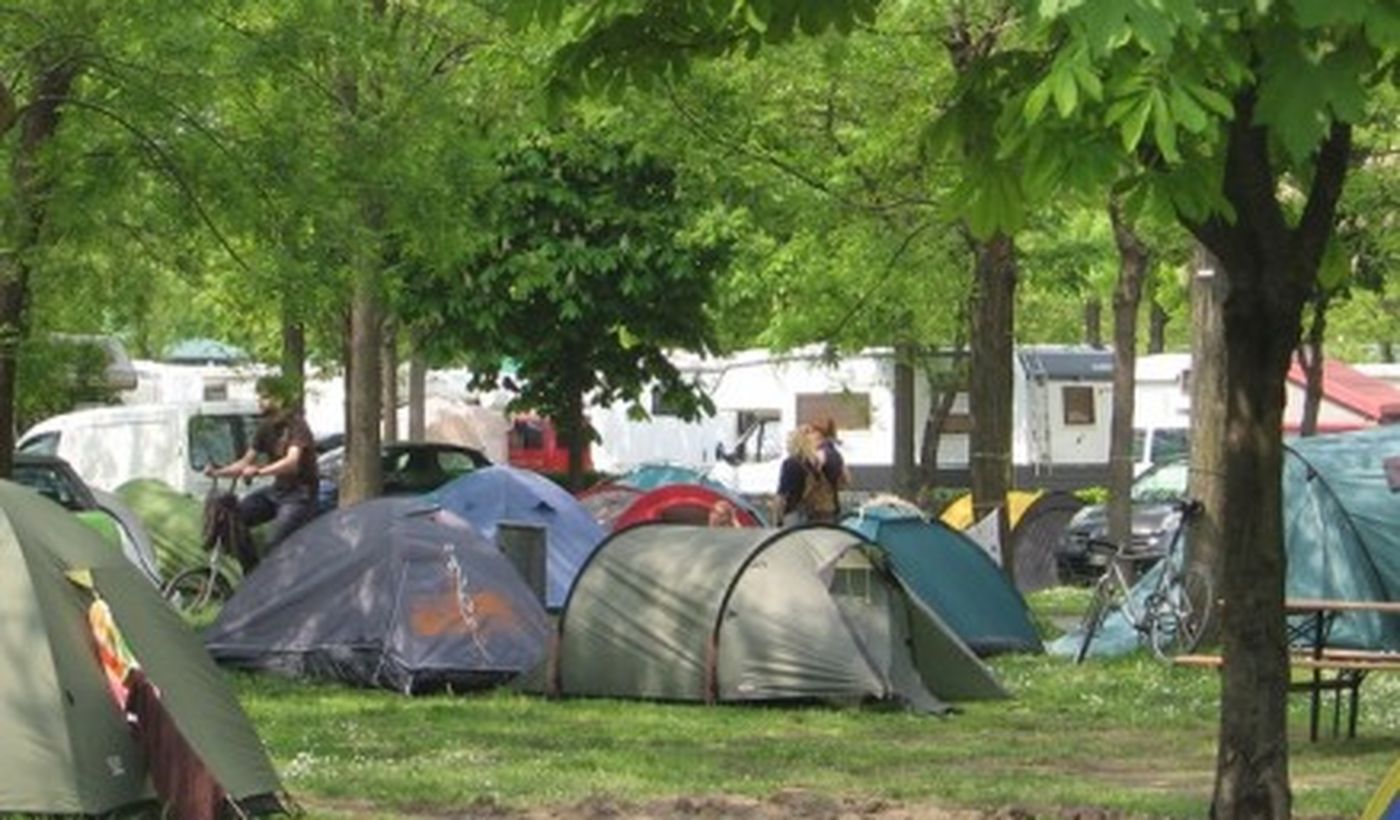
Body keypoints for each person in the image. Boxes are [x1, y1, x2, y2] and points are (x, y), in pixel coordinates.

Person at [207, 375, 319, 563]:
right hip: (277, 491)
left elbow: (292, 462)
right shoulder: (265, 428)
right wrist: (217, 472)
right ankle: (251, 571)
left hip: (300, 496)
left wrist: (259, 471)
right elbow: (245, 462)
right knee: (233, 519)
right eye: (259, 396)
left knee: (273, 545)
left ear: (279, 399)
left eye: (265, 397)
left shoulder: (297, 425)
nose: (259, 401)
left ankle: (273, 582)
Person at [771, 424, 840, 525]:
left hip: (798, 518)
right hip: (823, 516)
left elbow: (784, 495)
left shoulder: (791, 463)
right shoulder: (821, 462)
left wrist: (777, 518)